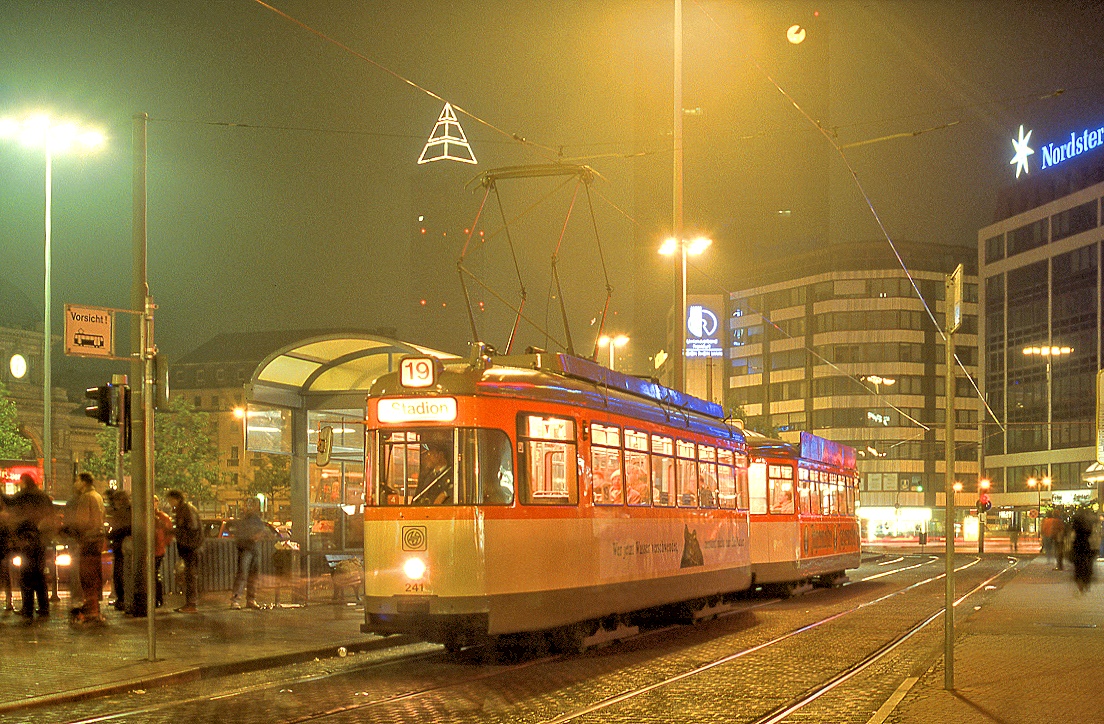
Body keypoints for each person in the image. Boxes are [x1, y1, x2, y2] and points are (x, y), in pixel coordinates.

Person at [8, 474, 54, 619]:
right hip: (41, 540)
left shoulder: (23, 496)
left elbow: (12, 510)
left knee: (26, 575)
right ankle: (44, 607)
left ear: (23, 482)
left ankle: (28, 608)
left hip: (26, 539)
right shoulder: (43, 496)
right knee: (39, 575)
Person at [70, 472, 106, 624]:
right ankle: (93, 607)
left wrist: (72, 530)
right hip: (97, 541)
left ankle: (91, 609)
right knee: (95, 576)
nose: (75, 484)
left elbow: (82, 522)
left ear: (84, 482)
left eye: (77, 480)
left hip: (88, 541)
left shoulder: (86, 497)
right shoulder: (97, 496)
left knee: (87, 576)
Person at [166, 489, 202, 613]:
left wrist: (174, 531)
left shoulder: (186, 509)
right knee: (188, 575)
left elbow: (192, 527)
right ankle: (190, 603)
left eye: (171, 500)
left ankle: (191, 604)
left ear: (177, 499)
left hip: (190, 547)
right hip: (189, 546)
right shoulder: (184, 509)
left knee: (190, 575)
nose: (170, 503)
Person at [229, 498, 267, 610]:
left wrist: (258, 535)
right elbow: (242, 534)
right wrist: (253, 537)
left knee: (252, 576)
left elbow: (261, 532)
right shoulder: (247, 520)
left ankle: (249, 599)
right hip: (247, 549)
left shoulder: (253, 519)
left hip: (252, 549)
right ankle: (238, 600)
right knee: (244, 575)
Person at [105, 489, 132, 611]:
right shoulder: (127, 511)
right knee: (120, 574)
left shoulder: (125, 512)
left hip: (122, 546)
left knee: (120, 574)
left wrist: (110, 535)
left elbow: (122, 528)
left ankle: (123, 600)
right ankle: (123, 599)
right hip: (121, 546)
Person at [152, 495, 174, 608]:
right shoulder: (160, 517)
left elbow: (169, 533)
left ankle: (157, 598)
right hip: (156, 549)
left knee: (154, 574)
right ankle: (156, 598)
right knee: (153, 574)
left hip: (157, 550)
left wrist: (162, 543)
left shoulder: (162, 517)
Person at [1070, 508, 1096, 593]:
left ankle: (1080, 583)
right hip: (1086, 545)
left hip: (1077, 545)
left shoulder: (1076, 524)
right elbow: (1091, 533)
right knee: (1087, 563)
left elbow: (1072, 533)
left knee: (1078, 565)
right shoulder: (1088, 523)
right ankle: (1085, 582)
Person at [0, 495, 13, 612]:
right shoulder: (6, 515)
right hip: (4, 548)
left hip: (3, 548)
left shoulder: (4, 516)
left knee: (5, 575)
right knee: (5, 576)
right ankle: (9, 601)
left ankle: (9, 601)